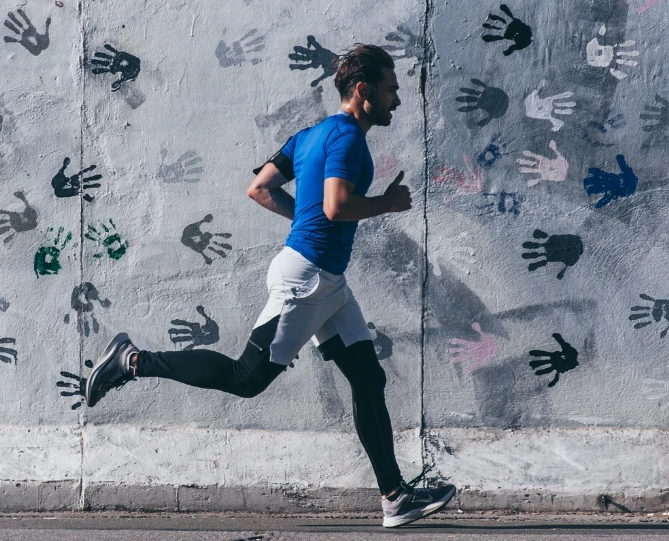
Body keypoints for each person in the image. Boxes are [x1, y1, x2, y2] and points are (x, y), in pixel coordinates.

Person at [84, 44, 456, 528]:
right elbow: (336, 208)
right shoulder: (347, 139)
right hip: (307, 280)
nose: (397, 102)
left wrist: (306, 220)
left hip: (328, 282)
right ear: (362, 91)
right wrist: (386, 204)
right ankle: (131, 361)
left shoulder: (307, 135)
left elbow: (260, 188)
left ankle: (394, 497)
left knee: (368, 377)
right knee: (247, 378)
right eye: (390, 91)